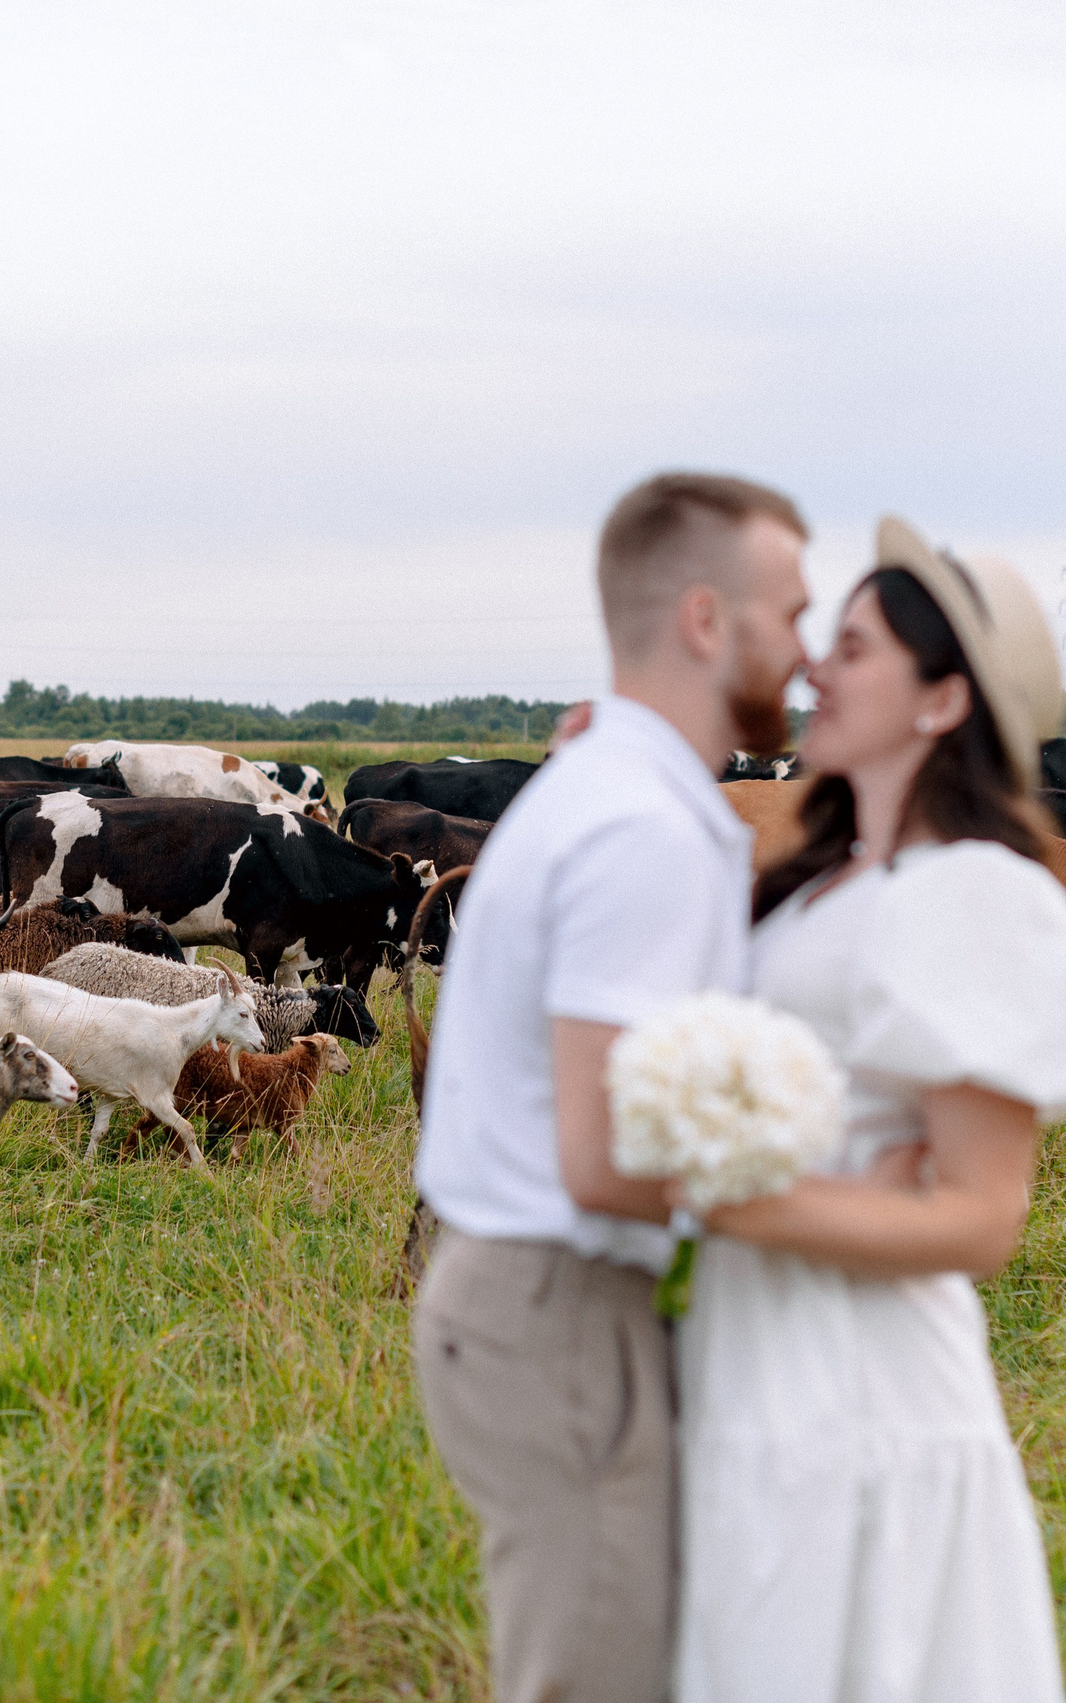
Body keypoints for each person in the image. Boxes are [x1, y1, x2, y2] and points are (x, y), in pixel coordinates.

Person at [671, 519, 1066, 1702]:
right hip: (748, 1355)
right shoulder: (813, 885)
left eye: (855, 647)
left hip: (864, 1390)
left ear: (939, 702)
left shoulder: (974, 893)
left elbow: (979, 1215)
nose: (815, 665)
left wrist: (731, 1202)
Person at [412, 471, 811, 1703]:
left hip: (546, 1294)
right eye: (790, 613)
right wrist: (847, 1217)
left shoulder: (611, 787)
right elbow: (599, 1154)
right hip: (561, 1305)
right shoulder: (639, 825)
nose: (803, 654)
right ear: (706, 619)